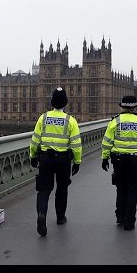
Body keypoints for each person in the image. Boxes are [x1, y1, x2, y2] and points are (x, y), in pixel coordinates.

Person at [29, 87, 82, 236]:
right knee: (62, 189)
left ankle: (42, 215)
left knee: (43, 189)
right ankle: (60, 218)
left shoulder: (43, 117)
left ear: (52, 102)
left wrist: (32, 156)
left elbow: (35, 140)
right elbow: (76, 144)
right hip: (63, 160)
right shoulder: (70, 120)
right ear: (65, 103)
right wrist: (77, 161)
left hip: (45, 158)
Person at [101, 95, 137, 231]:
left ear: (122, 107)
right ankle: (129, 221)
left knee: (121, 187)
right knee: (134, 189)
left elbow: (107, 142)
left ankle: (120, 215)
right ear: (135, 107)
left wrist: (105, 158)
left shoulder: (115, 121)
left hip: (119, 160)